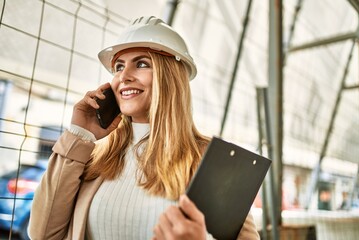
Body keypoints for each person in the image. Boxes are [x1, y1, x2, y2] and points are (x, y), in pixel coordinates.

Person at [28, 16, 260, 240]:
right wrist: (79, 135)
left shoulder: (214, 161)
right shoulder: (93, 158)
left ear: (170, 77)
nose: (124, 76)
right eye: (118, 67)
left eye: (141, 64)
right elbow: (42, 233)